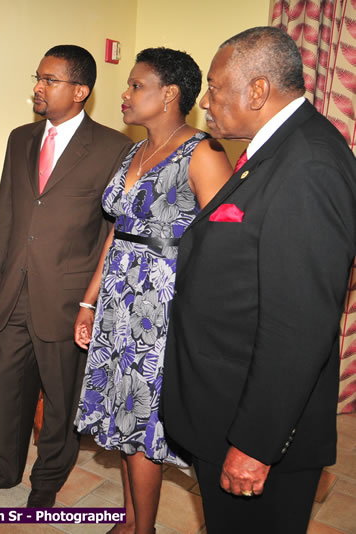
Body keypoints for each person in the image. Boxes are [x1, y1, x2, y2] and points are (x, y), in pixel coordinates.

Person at [162, 27, 356, 533]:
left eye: (215, 86)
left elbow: (299, 326)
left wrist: (254, 444)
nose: (205, 100)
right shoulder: (275, 150)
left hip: (254, 428)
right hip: (225, 403)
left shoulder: (308, 164)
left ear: (257, 91)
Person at [0, 45, 132, 508]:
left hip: (67, 296)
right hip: (13, 289)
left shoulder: (115, 148)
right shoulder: (21, 138)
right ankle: (1, 470)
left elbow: (110, 232)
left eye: (50, 80)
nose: (38, 88)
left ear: (80, 90)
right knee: (7, 390)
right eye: (37, 78)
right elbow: (10, 214)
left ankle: (48, 478)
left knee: (61, 398)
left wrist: (91, 299)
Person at [72, 48, 230, 534]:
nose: (124, 94)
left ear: (169, 95)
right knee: (123, 415)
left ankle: (144, 529)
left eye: (135, 85)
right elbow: (121, 232)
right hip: (119, 300)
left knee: (144, 421)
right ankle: (132, 518)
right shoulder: (135, 150)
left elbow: (227, 246)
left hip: (161, 308)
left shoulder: (202, 152)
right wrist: (89, 300)